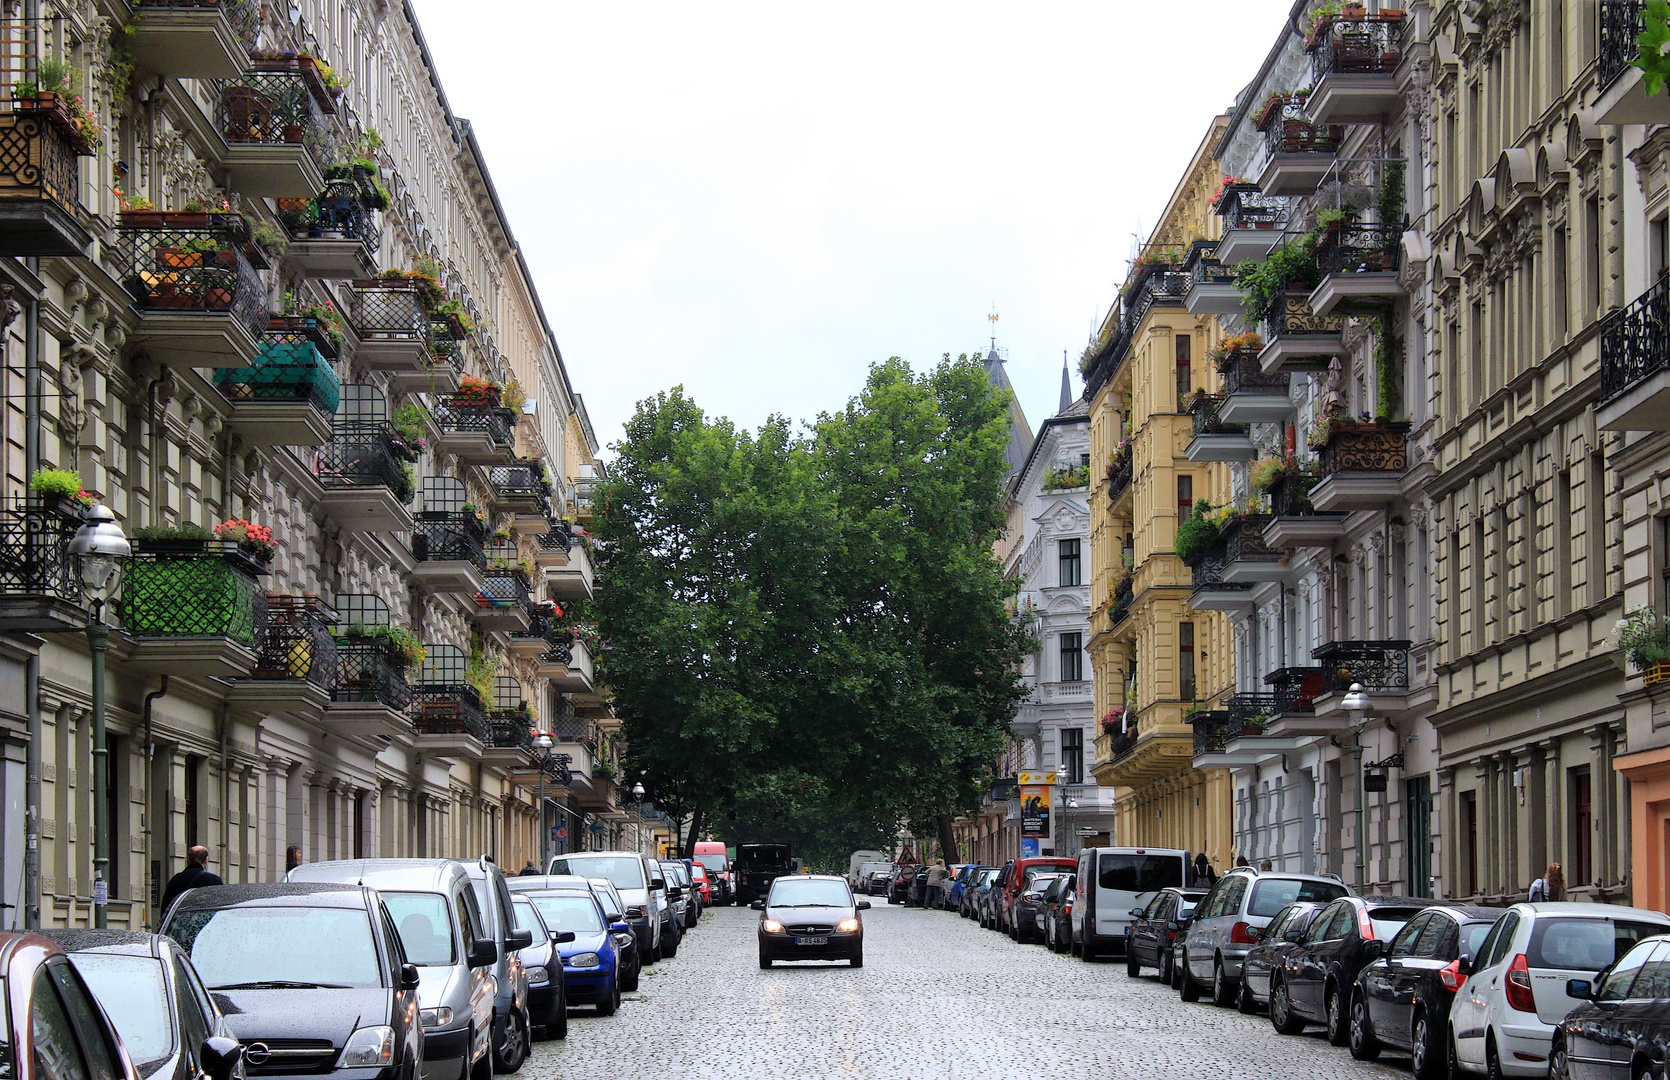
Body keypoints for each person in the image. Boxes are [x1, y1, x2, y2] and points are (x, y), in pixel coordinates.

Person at [159, 845, 223, 916]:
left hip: (180, 924)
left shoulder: (176, 880)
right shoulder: (214, 880)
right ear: (206, 861)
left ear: (188, 859)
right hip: (206, 924)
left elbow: (166, 908)